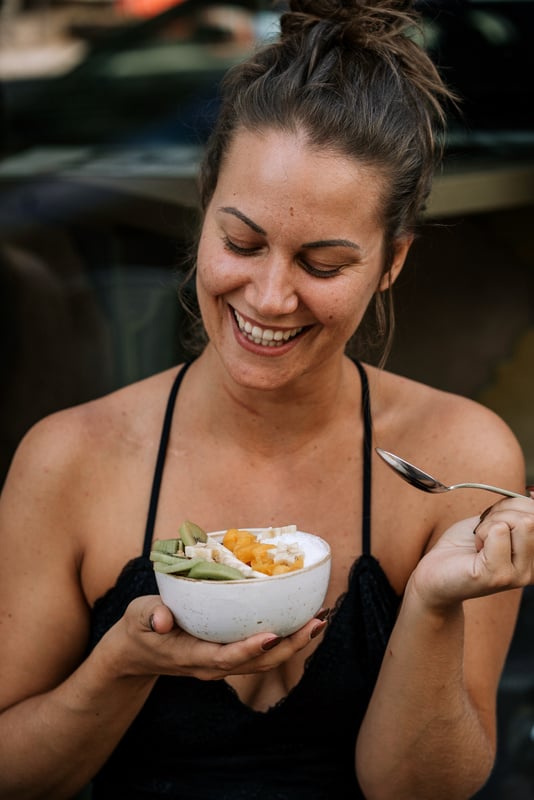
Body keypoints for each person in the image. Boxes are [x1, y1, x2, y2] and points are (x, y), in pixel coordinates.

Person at [1, 1, 534, 798]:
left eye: (322, 264)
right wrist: (120, 665)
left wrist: (428, 605)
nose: (271, 297)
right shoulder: (67, 460)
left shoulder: (460, 458)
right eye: (242, 244)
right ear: (203, 210)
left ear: (392, 263)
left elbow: (421, 790)